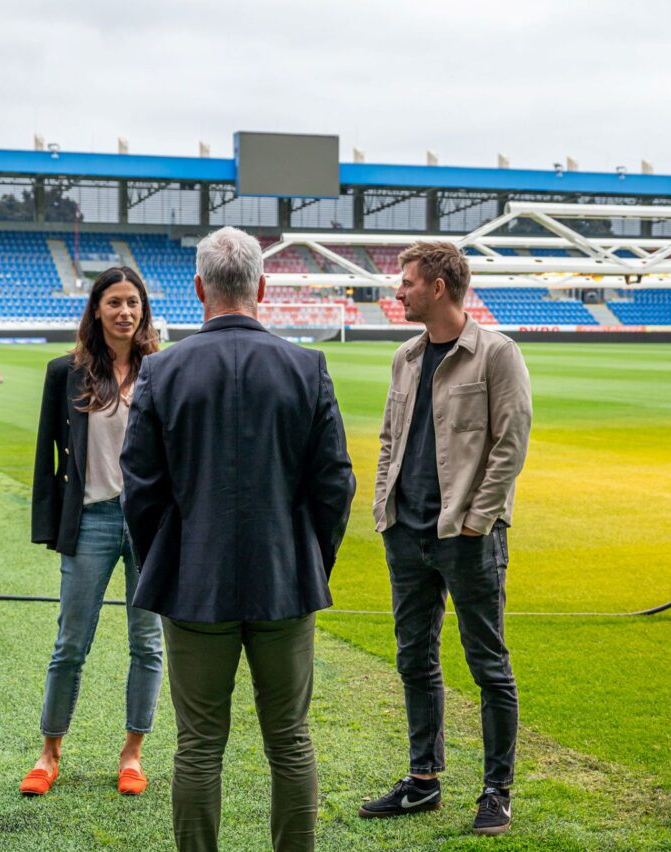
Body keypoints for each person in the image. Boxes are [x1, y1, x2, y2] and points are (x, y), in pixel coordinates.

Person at [122, 227, 355, 852]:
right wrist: (310, 558)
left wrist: (166, 561)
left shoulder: (162, 370)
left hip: (195, 584)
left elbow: (140, 490)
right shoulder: (305, 366)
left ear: (200, 288)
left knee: (199, 746)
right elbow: (334, 484)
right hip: (285, 579)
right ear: (262, 286)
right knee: (291, 741)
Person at [360, 241, 532, 837]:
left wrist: (478, 519)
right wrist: (384, 507)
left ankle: (497, 790)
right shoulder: (406, 357)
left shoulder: (497, 354)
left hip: (467, 535)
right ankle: (423, 781)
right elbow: (390, 439)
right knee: (414, 658)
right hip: (406, 532)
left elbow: (511, 443)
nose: (398, 292)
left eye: (407, 282)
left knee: (488, 664)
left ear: (437, 287)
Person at [25, 267, 164, 796]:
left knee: (147, 644)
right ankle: (49, 752)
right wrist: (49, 526)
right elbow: (47, 452)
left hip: (148, 523)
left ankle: (133, 753)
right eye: (114, 303)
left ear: (143, 310)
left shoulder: (162, 370)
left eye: (133, 303)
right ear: (97, 310)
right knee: (70, 644)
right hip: (90, 521)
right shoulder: (66, 372)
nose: (124, 312)